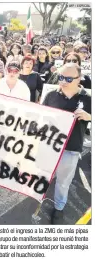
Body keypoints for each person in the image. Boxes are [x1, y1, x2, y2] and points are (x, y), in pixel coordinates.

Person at [42, 63, 91, 224]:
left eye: (68, 78)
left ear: (79, 79)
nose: (63, 81)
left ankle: (59, 208)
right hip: (50, 145)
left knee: (63, 182)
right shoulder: (51, 95)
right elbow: (41, 116)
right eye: (61, 77)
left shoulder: (88, 98)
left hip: (71, 148)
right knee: (46, 172)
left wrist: (89, 117)